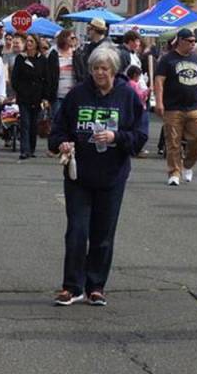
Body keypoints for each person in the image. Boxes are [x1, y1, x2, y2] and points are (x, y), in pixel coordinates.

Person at [49, 46, 148, 306]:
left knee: (103, 234)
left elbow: (139, 137)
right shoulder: (77, 95)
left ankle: (96, 286)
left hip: (112, 176)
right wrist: (63, 143)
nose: (99, 73)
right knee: (77, 232)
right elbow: (57, 130)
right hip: (78, 175)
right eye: (95, 68)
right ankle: (71, 286)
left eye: (104, 69)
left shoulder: (128, 96)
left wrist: (117, 137)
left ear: (114, 70)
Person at [154, 28, 197, 186]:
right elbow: (159, 81)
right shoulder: (167, 59)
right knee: (173, 142)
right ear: (180, 40)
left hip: (194, 107)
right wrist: (159, 102)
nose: (193, 44)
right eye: (190, 41)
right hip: (173, 108)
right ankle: (174, 172)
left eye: (194, 41)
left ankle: (187, 165)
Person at [11, 33, 48, 161]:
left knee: (34, 124)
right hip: (24, 96)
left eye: (31, 41)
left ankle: (32, 148)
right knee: (25, 123)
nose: (29, 44)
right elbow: (14, 78)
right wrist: (20, 91)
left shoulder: (42, 59)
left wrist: (44, 97)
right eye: (27, 41)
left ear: (36, 43)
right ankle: (24, 150)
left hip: (37, 97)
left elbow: (45, 79)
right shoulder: (21, 58)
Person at [47, 28, 79, 119]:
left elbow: (81, 72)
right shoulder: (54, 54)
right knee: (57, 119)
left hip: (73, 93)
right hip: (58, 93)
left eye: (74, 38)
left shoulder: (77, 53)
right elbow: (49, 74)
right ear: (64, 38)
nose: (73, 40)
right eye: (71, 38)